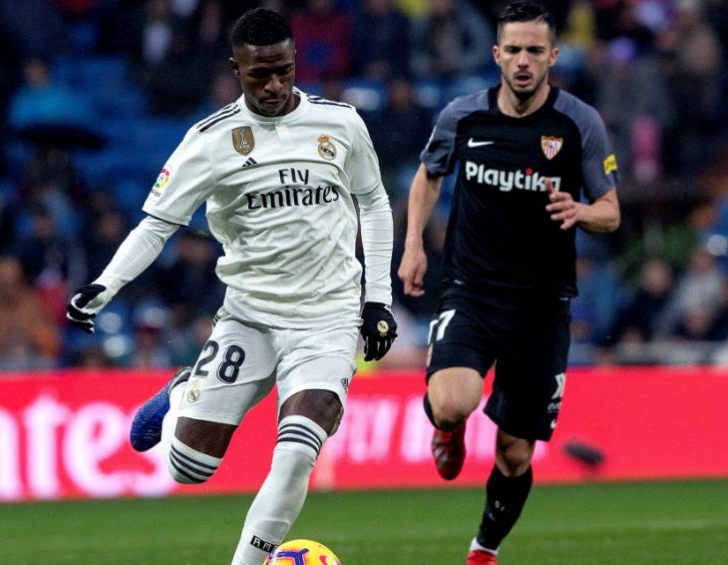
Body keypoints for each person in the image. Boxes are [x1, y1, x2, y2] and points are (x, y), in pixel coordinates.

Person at [65, 8, 396, 565]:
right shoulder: (209, 142)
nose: (273, 85)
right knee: (188, 467)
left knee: (296, 453)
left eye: (283, 71)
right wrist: (105, 284)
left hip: (328, 318)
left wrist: (378, 300)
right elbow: (157, 225)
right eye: (258, 74)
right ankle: (180, 393)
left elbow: (374, 202)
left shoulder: (341, 123)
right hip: (251, 316)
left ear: (295, 63)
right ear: (235, 69)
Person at [396, 3, 621, 565]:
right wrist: (414, 244)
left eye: (535, 51)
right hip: (471, 291)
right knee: (451, 404)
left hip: (542, 307)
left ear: (553, 56)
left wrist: (580, 211)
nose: (523, 62)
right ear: (497, 54)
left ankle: (483, 552)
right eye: (514, 50)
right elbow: (428, 175)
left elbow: (612, 212)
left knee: (515, 455)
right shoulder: (462, 117)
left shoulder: (578, 124)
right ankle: (446, 431)